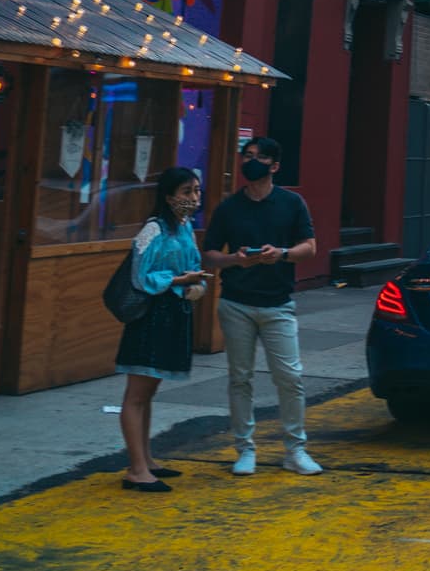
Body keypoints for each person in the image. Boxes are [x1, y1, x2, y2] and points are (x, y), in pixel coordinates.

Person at [202, 136, 321, 476]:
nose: (250, 162)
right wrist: (235, 260)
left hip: (278, 304)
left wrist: (280, 254)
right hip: (235, 303)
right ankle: (244, 450)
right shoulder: (229, 207)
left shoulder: (292, 203)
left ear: (275, 166)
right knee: (240, 378)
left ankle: (295, 450)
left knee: (290, 377)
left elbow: (310, 247)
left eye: (258, 157)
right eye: (247, 155)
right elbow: (209, 254)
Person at [116, 167, 209, 492]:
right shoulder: (153, 229)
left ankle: (146, 460)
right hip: (151, 318)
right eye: (186, 192)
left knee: (149, 393)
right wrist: (177, 281)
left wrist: (194, 285)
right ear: (169, 196)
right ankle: (136, 469)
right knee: (137, 394)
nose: (193, 198)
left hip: (174, 314)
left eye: (196, 191)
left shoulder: (184, 228)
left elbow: (193, 265)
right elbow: (140, 276)